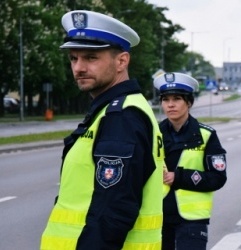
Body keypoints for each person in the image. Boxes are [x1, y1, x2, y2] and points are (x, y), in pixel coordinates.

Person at [41, 10, 165, 249]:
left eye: (91, 57)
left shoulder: (121, 116)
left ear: (122, 61)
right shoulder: (112, 110)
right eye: (73, 58)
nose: (79, 67)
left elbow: (113, 211)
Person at [154, 72, 228, 249]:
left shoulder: (206, 135)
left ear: (189, 102)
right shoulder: (153, 133)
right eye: (166, 99)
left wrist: (178, 177)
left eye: (177, 99)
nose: (170, 105)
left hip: (192, 221)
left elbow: (218, 178)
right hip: (157, 216)